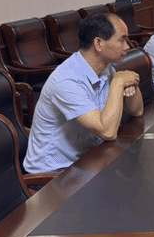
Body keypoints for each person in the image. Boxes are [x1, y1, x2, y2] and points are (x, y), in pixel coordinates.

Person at [24, 13, 143, 174]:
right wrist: (118, 83)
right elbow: (107, 132)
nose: (127, 46)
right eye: (122, 40)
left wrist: (131, 84)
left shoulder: (106, 68)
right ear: (98, 44)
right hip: (55, 173)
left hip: (89, 159)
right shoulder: (67, 80)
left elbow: (137, 110)